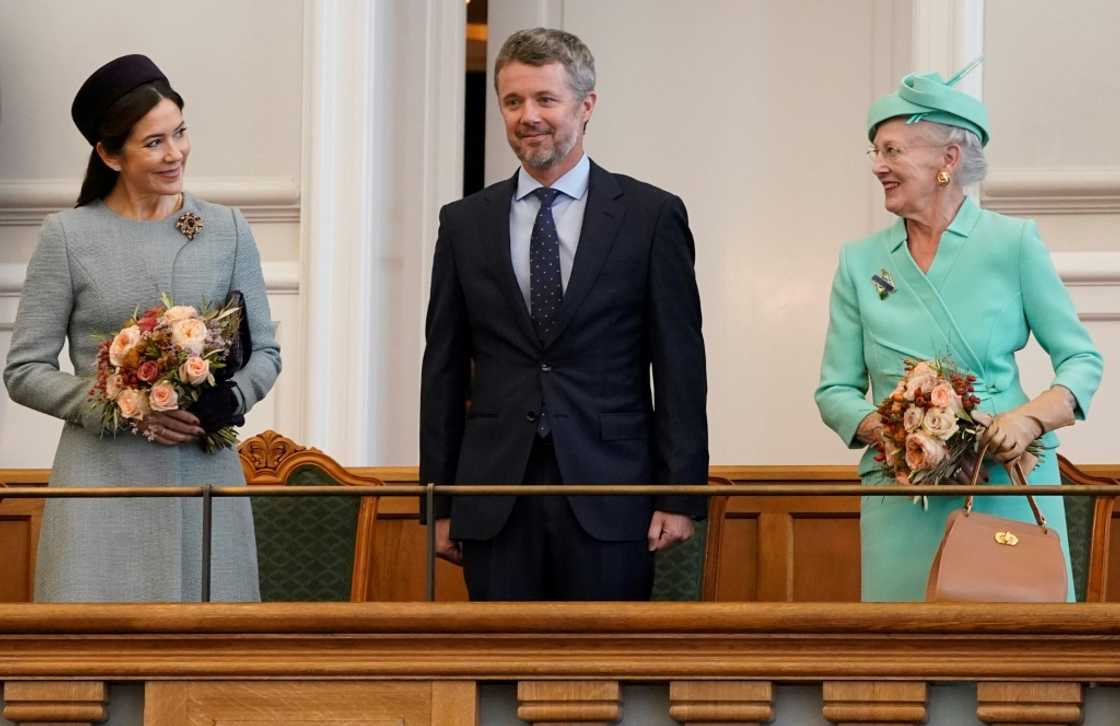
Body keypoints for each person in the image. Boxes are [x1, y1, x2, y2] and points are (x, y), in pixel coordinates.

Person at [419, 28, 708, 601]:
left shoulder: (651, 216)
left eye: (545, 99)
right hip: (494, 498)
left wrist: (680, 495)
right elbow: (443, 370)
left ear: (586, 104)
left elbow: (680, 365)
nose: (528, 116)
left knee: (603, 658)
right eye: (512, 101)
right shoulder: (463, 223)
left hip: (613, 495)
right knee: (499, 657)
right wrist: (439, 502)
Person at [815, 63, 1103, 602]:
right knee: (903, 650)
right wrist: (899, 434)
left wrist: (1027, 420)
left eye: (892, 151)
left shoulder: (1012, 243)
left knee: (1015, 649)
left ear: (948, 159)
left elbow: (1082, 362)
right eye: (875, 151)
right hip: (903, 490)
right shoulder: (861, 262)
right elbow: (835, 390)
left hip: (1005, 483)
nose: (878, 166)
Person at [3, 55, 281, 602]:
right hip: (102, 482)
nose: (175, 153)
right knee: (95, 645)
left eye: (180, 132)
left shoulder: (226, 229)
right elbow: (24, 370)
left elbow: (264, 352)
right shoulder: (67, 237)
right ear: (110, 155)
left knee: (210, 643)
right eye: (154, 142)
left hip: (204, 474)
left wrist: (228, 400)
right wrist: (122, 403)